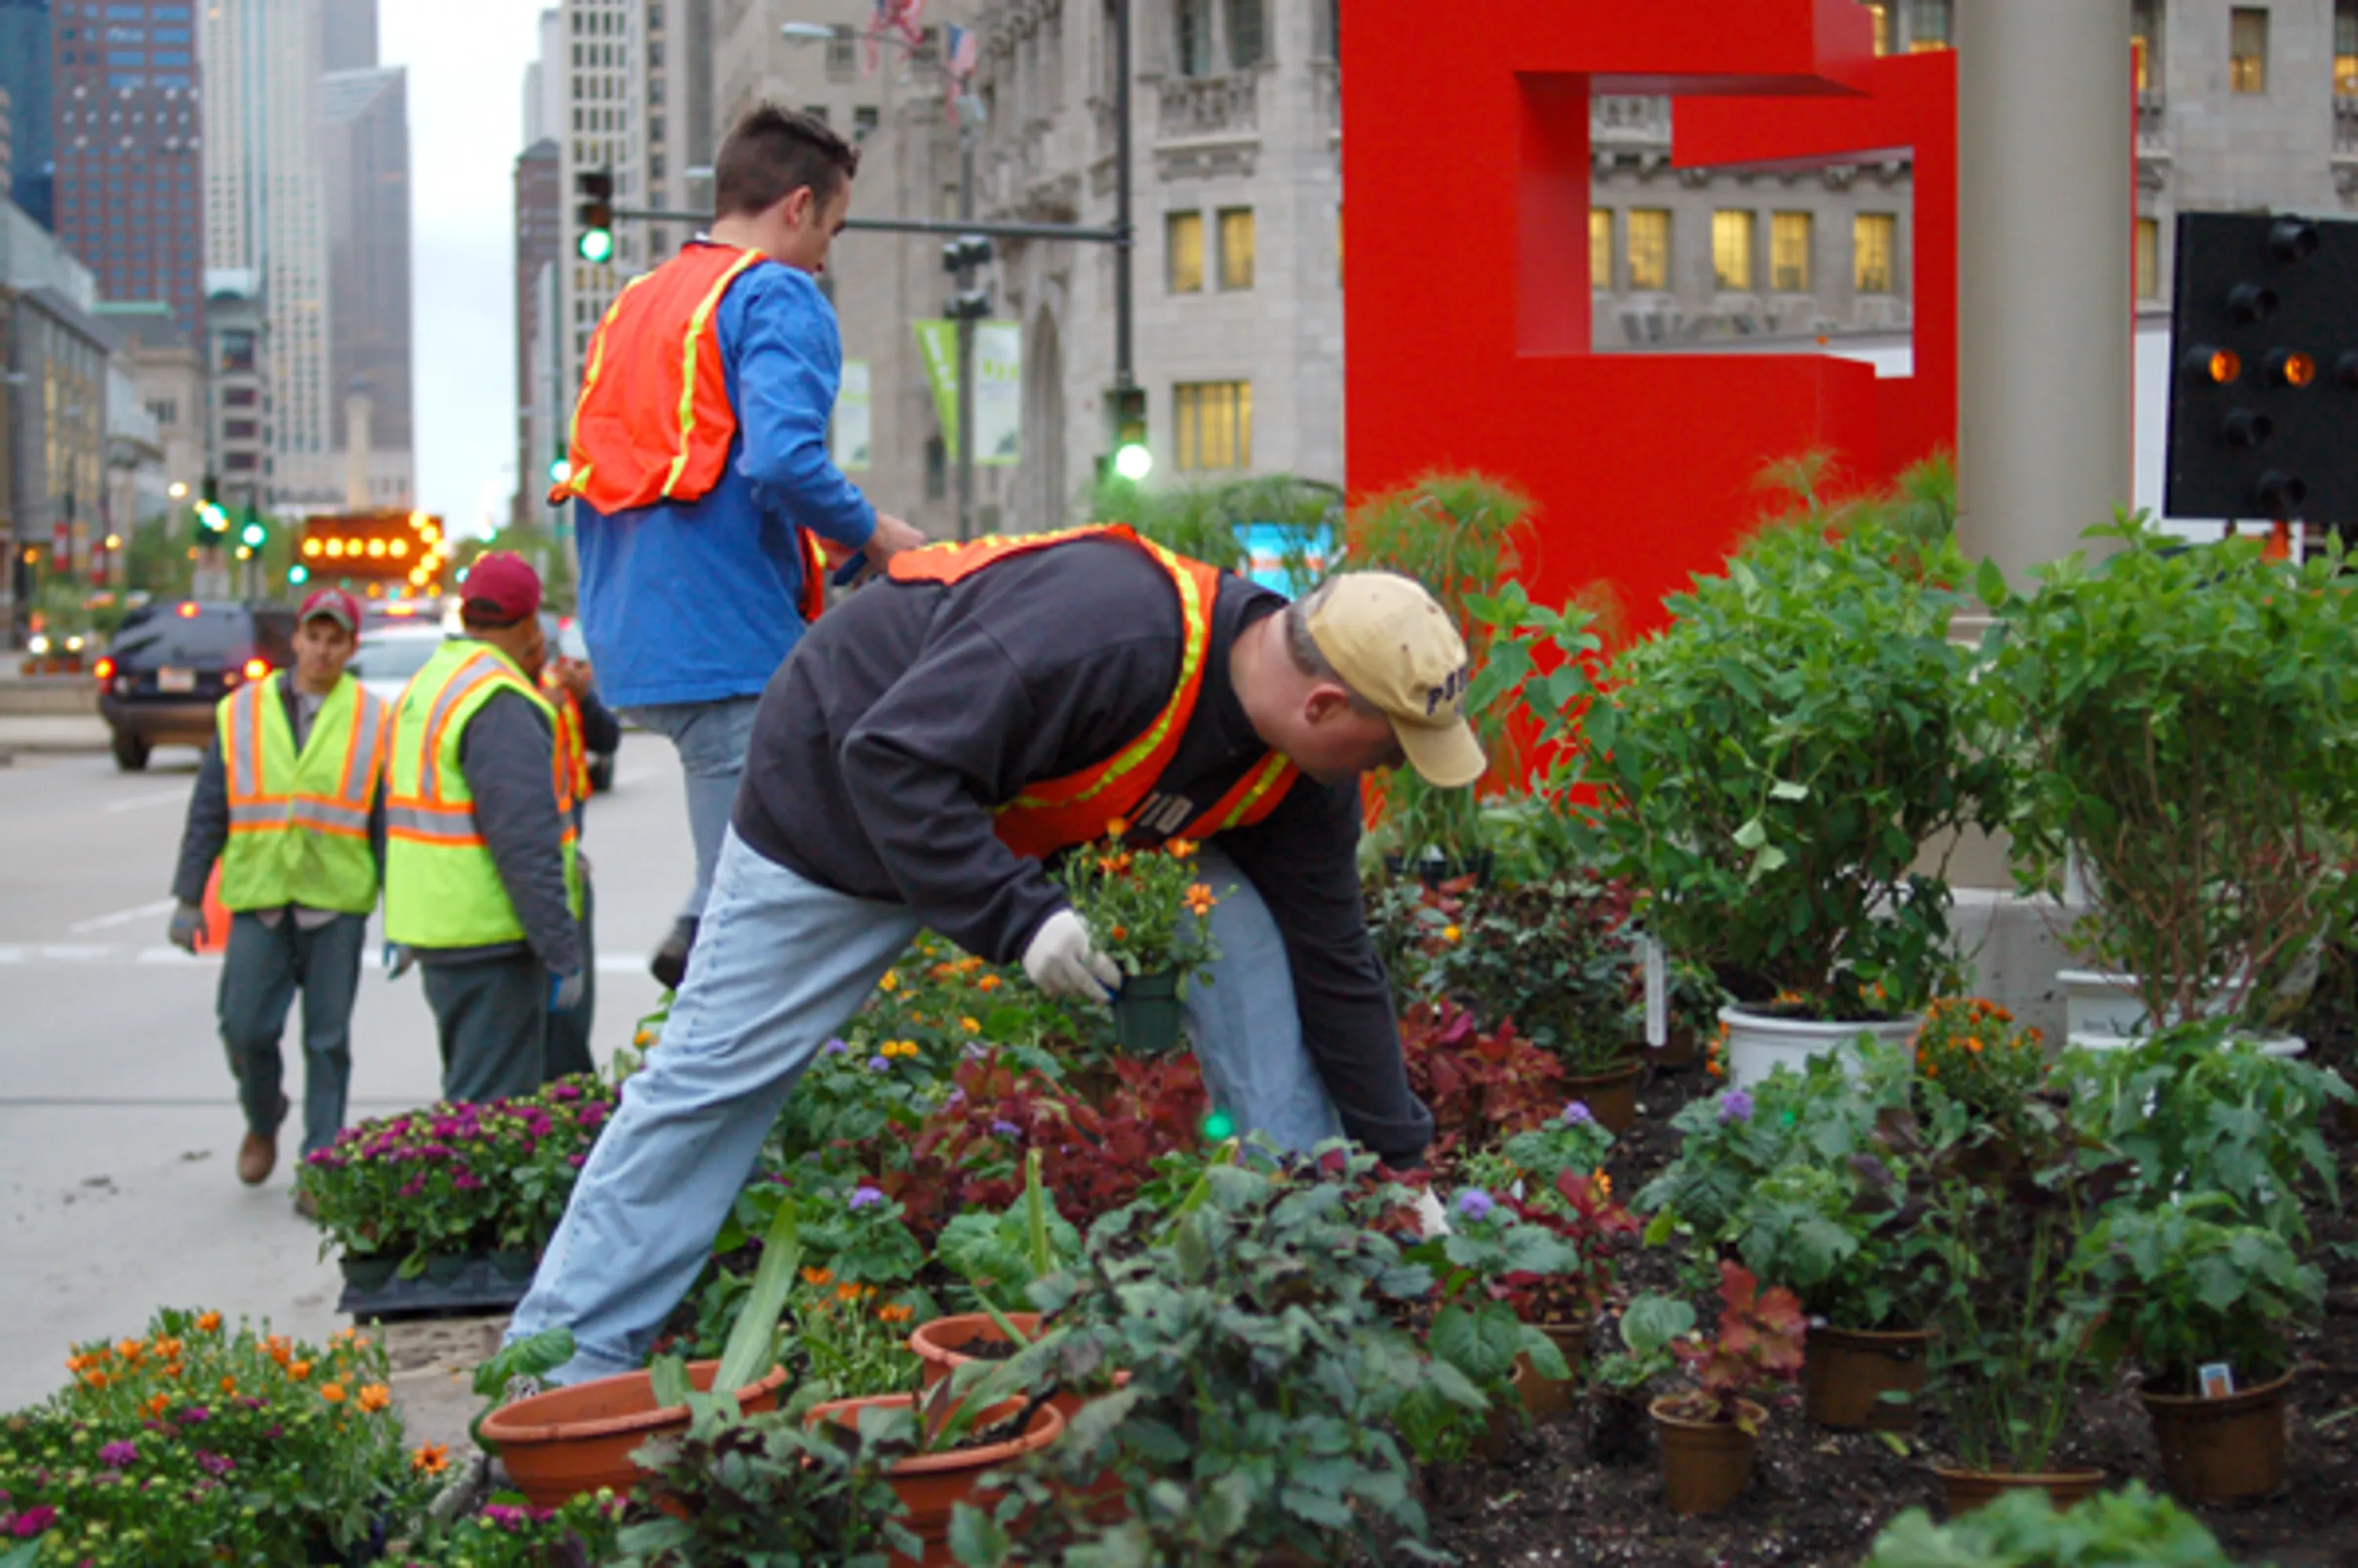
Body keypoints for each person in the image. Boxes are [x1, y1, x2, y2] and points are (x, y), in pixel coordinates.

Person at [507, 526, 1482, 1383]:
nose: (1389, 769)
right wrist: (1024, 919)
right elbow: (891, 759)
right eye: (1390, 747)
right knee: (715, 1076)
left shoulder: (1302, 776)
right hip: (846, 797)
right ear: (1322, 705)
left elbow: (1336, 959)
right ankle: (560, 1366)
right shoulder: (1110, 634)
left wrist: (1399, 1161)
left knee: (1264, 975)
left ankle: (1307, 1317)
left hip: (1028, 822)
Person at [551, 103, 926, 992]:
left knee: (762, 870)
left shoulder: (641, 301)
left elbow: (689, 466)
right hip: (730, 643)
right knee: (763, 932)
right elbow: (784, 458)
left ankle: (697, 924)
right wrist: (876, 536)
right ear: (798, 207)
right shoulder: (775, 294)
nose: (826, 257)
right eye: (831, 228)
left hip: (637, 640)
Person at [167, 587, 385, 1190]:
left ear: (349, 647)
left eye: (334, 638)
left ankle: (321, 1167)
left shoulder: (372, 718)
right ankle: (264, 1117)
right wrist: (188, 897)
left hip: (335, 901)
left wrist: (405, 915)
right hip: (260, 896)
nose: (321, 649)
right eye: (312, 636)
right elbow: (209, 805)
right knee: (244, 1028)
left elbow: (384, 819)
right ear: (295, 639)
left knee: (327, 1041)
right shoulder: (242, 711)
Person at [383, 553, 583, 1103]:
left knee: (476, 1094)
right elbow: (525, 843)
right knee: (487, 1110)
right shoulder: (499, 699)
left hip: (438, 926)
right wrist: (561, 949)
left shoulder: (432, 683)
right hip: (491, 935)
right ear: (527, 625)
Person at [542, 648, 621, 1080]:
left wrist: (585, 698)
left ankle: (568, 1100)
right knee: (547, 1013)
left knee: (572, 1008)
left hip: (569, 859)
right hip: (531, 866)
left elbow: (606, 740)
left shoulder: (561, 687)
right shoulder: (505, 696)